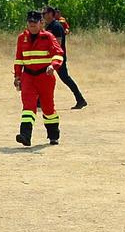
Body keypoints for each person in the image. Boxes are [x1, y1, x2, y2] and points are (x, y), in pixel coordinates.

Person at [12, 9, 63, 146]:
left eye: (35, 22)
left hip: (45, 77)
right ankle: (25, 136)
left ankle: (53, 135)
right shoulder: (21, 38)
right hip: (28, 77)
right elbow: (19, 59)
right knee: (28, 106)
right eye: (30, 22)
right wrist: (17, 76)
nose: (32, 24)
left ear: (41, 23)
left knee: (48, 108)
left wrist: (53, 65)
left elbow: (58, 53)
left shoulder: (48, 37)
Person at [44, 7, 88, 110]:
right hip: (51, 57)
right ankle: (39, 102)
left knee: (65, 78)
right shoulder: (49, 26)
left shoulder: (56, 26)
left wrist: (50, 53)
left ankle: (80, 100)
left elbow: (58, 43)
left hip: (58, 57)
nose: (43, 15)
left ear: (50, 14)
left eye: (44, 13)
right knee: (43, 77)